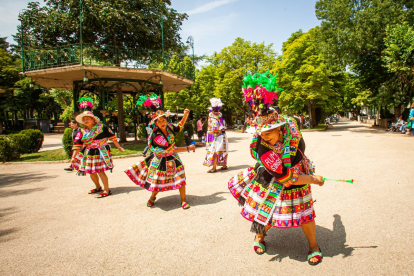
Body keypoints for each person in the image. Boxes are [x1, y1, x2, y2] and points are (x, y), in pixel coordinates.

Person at [228, 72, 324, 265]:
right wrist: (313, 179)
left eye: (269, 132)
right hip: (278, 174)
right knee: (268, 210)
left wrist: (305, 173)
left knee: (305, 213)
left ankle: (314, 246)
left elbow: (297, 160)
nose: (264, 137)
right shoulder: (262, 148)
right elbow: (285, 176)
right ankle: (259, 236)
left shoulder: (292, 129)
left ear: (281, 128)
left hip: (298, 169)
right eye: (261, 133)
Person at [124, 93, 195, 210]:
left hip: (173, 158)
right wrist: (188, 148)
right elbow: (170, 149)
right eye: (159, 121)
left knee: (180, 177)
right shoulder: (156, 135)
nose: (162, 122)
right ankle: (152, 197)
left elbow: (180, 126)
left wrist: (185, 115)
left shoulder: (170, 127)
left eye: (163, 120)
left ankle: (183, 200)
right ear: (155, 123)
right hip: (160, 159)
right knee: (157, 181)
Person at [71, 97, 125, 198]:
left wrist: (119, 147)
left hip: (100, 151)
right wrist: (74, 156)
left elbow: (113, 138)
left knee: (100, 171)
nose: (86, 120)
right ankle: (97, 186)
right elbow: (77, 144)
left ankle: (106, 189)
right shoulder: (82, 131)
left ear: (93, 119)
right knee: (90, 171)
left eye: (88, 118)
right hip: (89, 152)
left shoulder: (102, 127)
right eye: (84, 119)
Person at [203, 98, 229, 172]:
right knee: (223, 151)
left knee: (215, 152)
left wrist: (209, 132)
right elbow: (222, 128)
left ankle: (214, 168)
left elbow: (214, 131)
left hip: (219, 137)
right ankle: (224, 165)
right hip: (223, 136)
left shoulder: (214, 120)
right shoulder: (220, 119)